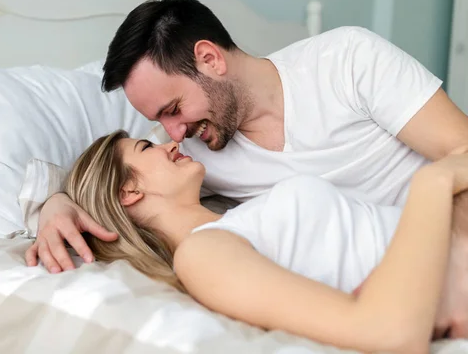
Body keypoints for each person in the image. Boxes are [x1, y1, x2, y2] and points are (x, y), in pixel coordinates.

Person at [26, 0, 468, 331]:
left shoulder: (346, 61)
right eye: (158, 123)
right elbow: (110, 185)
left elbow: (462, 152)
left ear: (210, 59)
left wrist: (450, 255)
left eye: (173, 108)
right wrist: (56, 202)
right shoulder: (195, 156)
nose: (172, 134)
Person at [28, 129, 468, 352]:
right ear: (129, 192)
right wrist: (433, 182)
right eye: (147, 146)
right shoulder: (203, 256)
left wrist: (57, 200)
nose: (168, 142)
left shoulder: (235, 215)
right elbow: (389, 333)